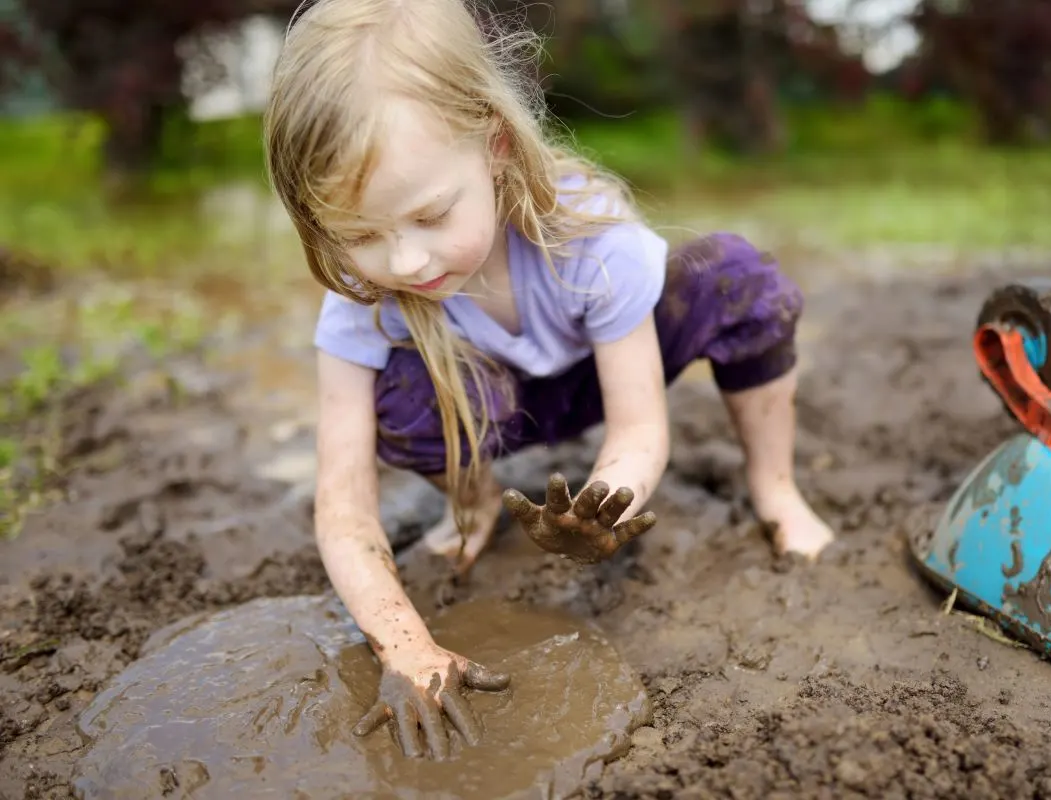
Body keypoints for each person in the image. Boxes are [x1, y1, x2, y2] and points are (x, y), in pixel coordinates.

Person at [264, 0, 835, 761]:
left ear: (494, 145)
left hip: (607, 371)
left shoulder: (589, 236)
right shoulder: (364, 308)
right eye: (361, 236)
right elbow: (341, 507)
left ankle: (776, 488)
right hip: (491, 405)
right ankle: (471, 504)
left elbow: (637, 430)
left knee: (741, 280)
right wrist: (405, 645)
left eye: (431, 216)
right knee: (394, 393)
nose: (405, 263)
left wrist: (606, 504)